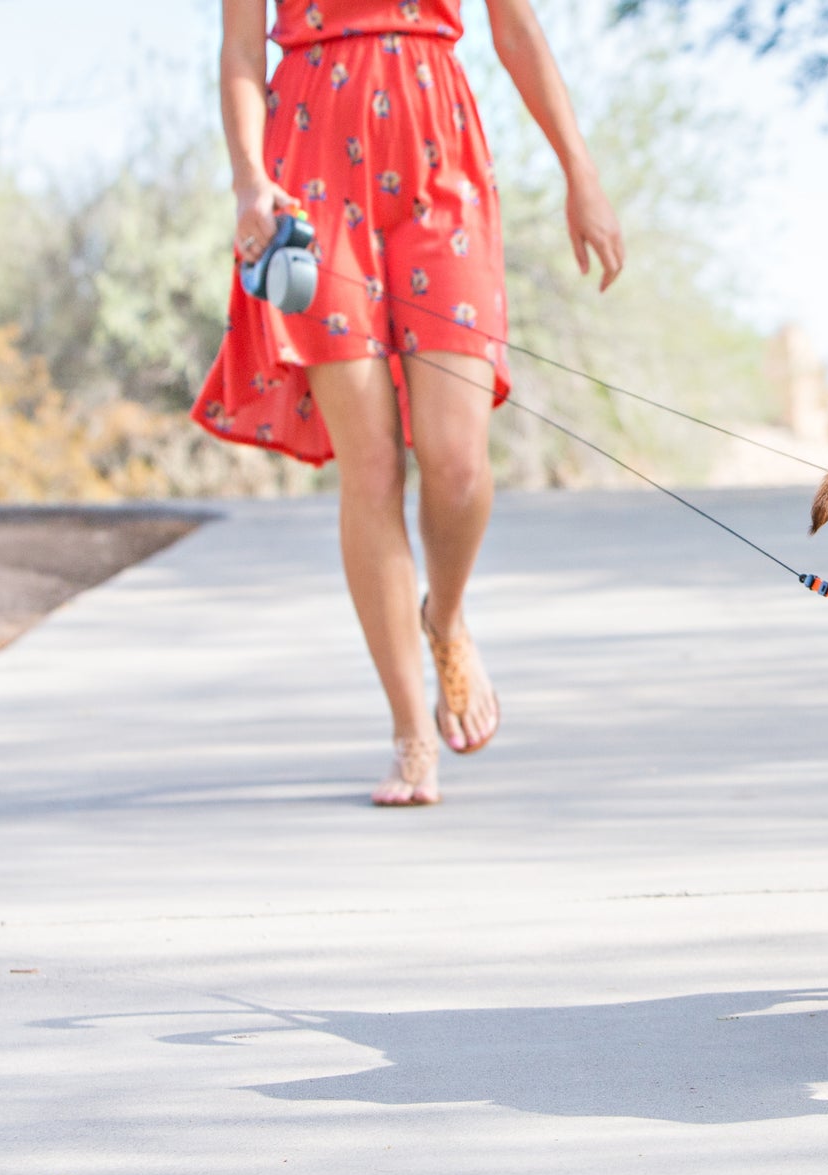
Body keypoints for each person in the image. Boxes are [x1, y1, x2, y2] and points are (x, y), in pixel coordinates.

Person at [196, 0, 624, 806]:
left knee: (457, 463)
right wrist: (250, 177)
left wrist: (582, 173)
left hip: (440, 147)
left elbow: (517, 28)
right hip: (310, 164)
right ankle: (409, 732)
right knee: (372, 465)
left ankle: (448, 617)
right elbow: (242, 50)